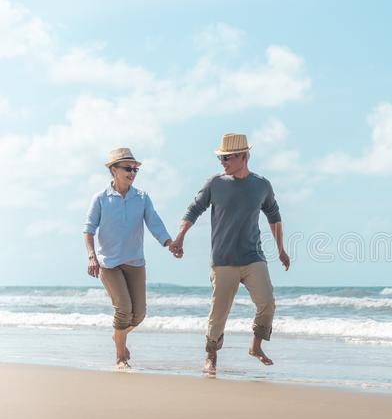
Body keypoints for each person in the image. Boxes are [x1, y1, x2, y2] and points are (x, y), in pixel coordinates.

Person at [169, 133, 290, 374]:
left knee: (267, 303)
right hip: (223, 260)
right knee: (218, 315)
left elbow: (274, 216)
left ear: (244, 157)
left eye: (227, 158)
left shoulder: (262, 185)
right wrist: (180, 237)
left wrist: (280, 249)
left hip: (253, 257)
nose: (222, 162)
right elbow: (193, 210)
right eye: (221, 158)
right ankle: (211, 357)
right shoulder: (215, 184)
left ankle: (255, 346)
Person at [83, 148, 174, 368]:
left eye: (135, 169)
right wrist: (91, 257)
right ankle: (120, 356)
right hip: (109, 263)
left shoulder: (142, 198)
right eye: (127, 168)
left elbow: (155, 222)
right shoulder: (101, 198)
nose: (132, 172)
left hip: (135, 262)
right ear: (113, 170)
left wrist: (169, 243)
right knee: (123, 308)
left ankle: (118, 336)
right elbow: (88, 230)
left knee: (139, 314)